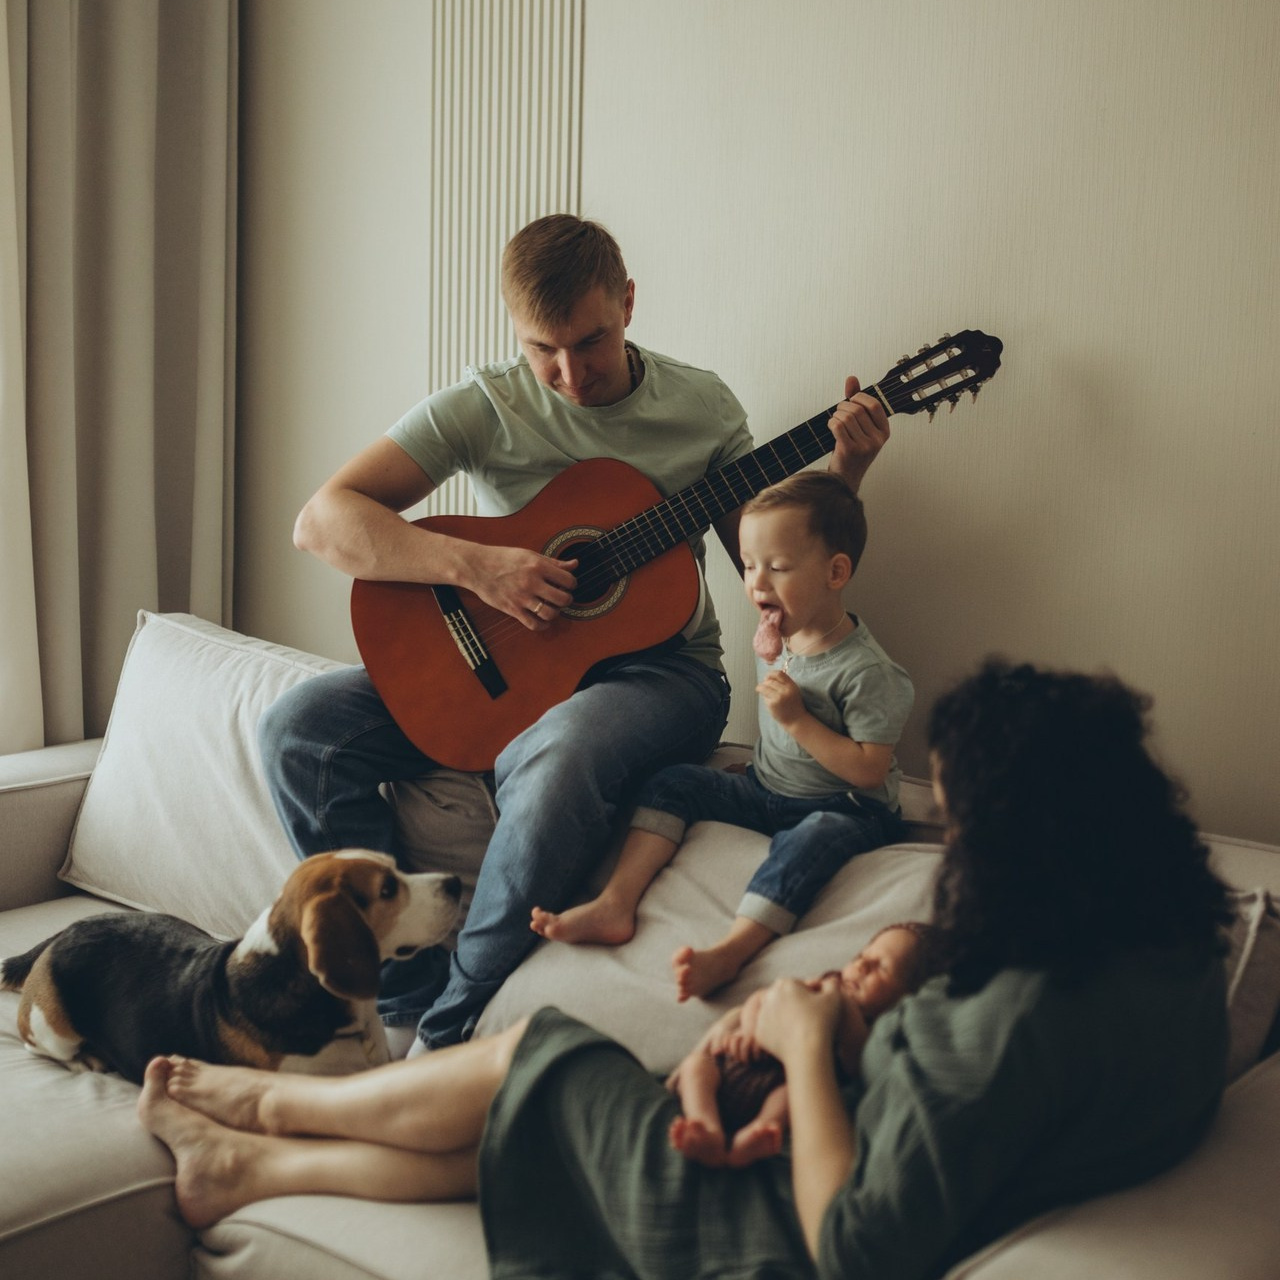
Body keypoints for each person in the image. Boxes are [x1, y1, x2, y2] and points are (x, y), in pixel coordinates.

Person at [139, 658, 1233, 1280]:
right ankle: (247, 1170)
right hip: (813, 1136)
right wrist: (849, 1006)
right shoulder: (1166, 947)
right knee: (537, 1114)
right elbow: (971, 1081)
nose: (945, 836)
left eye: (959, 818)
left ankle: (266, 1097)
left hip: (764, 1230)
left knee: (540, 1052)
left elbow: (855, 1245)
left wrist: (805, 1043)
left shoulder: (1015, 1027)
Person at [257, 214, 891, 1052]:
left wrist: (843, 475)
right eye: (540, 350)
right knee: (297, 731)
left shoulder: (700, 407)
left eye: (589, 342)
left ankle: (444, 1034)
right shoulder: (486, 405)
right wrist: (478, 568)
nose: (568, 374)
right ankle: (401, 989)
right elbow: (321, 521)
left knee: (556, 752)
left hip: (662, 675)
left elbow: (768, 571)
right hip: (507, 661)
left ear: (627, 303)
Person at [530, 472, 913, 1001]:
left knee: (813, 839)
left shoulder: (868, 672)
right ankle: (615, 904)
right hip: (766, 790)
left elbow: (870, 769)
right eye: (750, 565)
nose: (757, 584)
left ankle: (731, 951)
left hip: (847, 807)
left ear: (836, 571)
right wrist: (764, 767)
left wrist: (798, 721)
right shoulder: (778, 636)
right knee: (673, 783)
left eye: (777, 568)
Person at [668, 922, 931, 1169]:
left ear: (903, 1000)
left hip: (783, 1084)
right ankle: (705, 1127)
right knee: (696, 1066)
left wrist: (846, 1011)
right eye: (862, 956)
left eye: (881, 967)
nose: (862, 966)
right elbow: (763, 998)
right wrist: (749, 1030)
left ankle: (758, 1134)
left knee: (787, 1096)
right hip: (737, 1066)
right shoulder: (824, 984)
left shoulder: (875, 1034)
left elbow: (855, 1062)